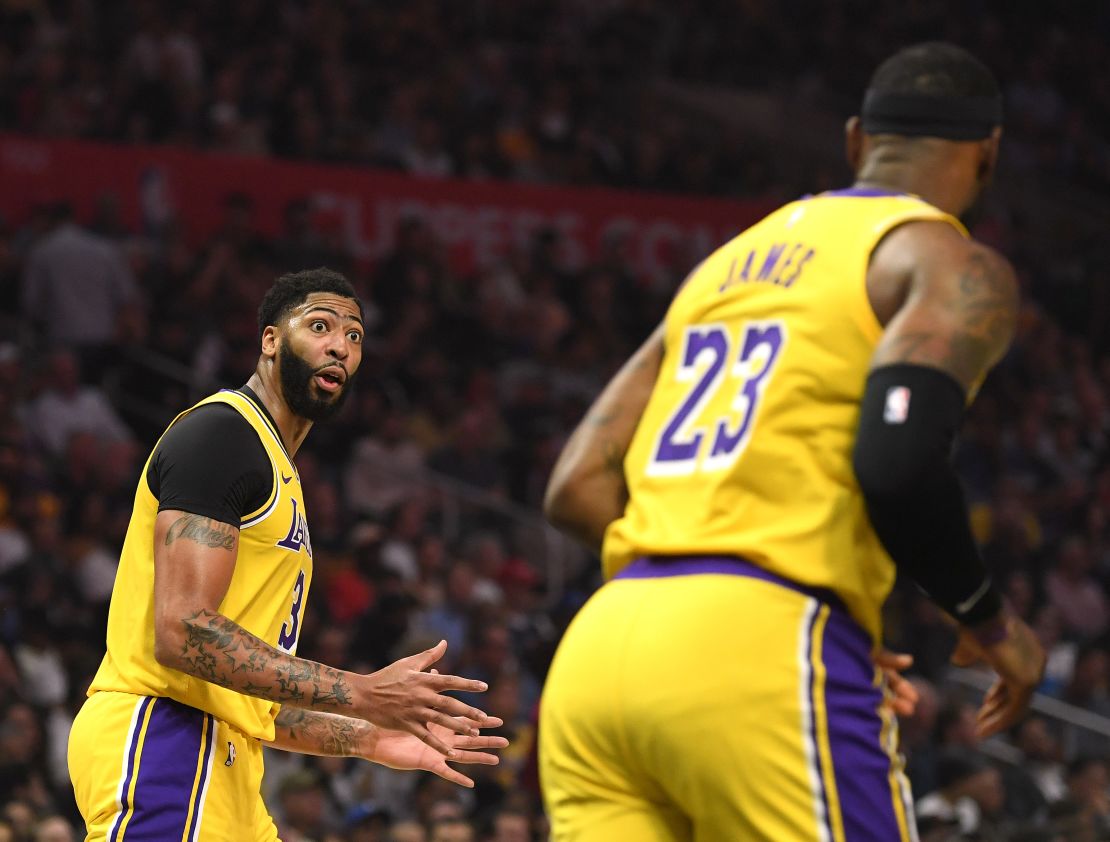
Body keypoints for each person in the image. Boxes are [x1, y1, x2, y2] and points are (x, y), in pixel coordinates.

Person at [539, 43, 1046, 841]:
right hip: (759, 651)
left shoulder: (724, 267)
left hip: (599, 657)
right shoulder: (943, 257)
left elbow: (575, 486)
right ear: (988, 154)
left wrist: (710, 583)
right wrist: (991, 627)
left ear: (854, 141)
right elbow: (898, 463)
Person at [68, 268, 507, 840]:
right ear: (270, 340)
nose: (340, 347)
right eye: (320, 326)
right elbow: (182, 632)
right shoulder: (223, 437)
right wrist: (363, 693)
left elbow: (255, 700)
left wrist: (372, 736)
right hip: (165, 737)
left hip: (226, 758)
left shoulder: (279, 468)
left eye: (354, 336)